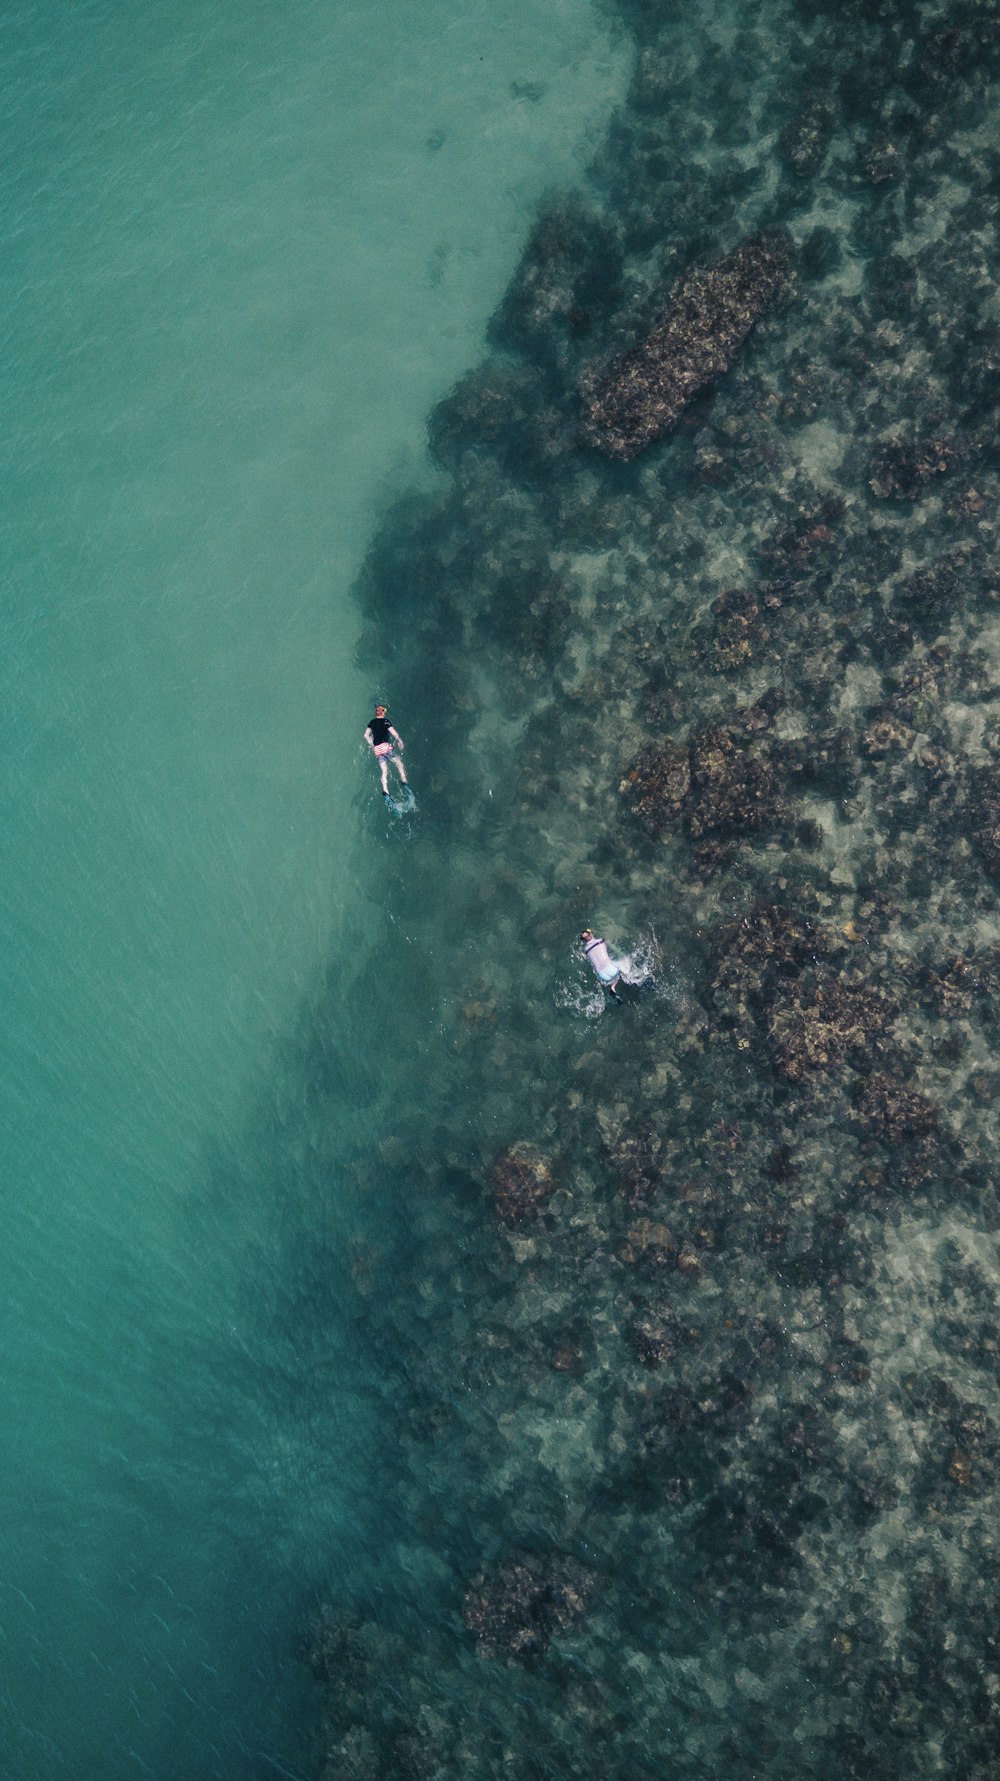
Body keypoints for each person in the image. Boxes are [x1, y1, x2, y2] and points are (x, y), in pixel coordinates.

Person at [365, 704, 408, 798]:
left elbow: (366, 735)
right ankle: (404, 781)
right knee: (399, 763)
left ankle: (385, 790)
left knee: (384, 770)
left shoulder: (371, 722)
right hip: (385, 747)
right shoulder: (386, 721)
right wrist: (399, 740)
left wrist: (372, 745)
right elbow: (394, 733)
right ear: (383, 713)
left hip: (377, 750)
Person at [581, 929, 621, 999]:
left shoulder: (585, 950)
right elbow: (611, 944)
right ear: (591, 934)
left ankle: (610, 987)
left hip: (601, 975)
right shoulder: (601, 940)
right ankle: (613, 986)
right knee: (622, 967)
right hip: (611, 969)